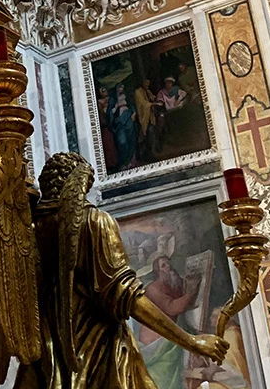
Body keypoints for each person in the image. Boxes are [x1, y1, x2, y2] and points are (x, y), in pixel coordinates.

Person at [15, 153, 228, 389]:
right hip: (96, 351)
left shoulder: (28, 231)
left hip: (47, 355)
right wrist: (191, 341)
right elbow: (128, 297)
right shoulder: (93, 222)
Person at [138, 256, 201, 389]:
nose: (169, 267)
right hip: (158, 344)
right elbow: (172, 308)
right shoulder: (153, 289)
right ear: (158, 272)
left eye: (169, 264)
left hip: (171, 339)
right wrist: (190, 293)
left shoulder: (173, 285)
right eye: (164, 266)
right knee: (162, 375)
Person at [108, 83, 138, 171]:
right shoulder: (113, 99)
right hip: (120, 121)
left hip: (128, 118)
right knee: (122, 142)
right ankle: (123, 162)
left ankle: (130, 162)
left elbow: (132, 105)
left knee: (131, 139)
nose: (121, 89)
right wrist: (115, 107)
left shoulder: (126, 96)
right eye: (120, 87)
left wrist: (134, 113)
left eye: (122, 87)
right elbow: (110, 112)